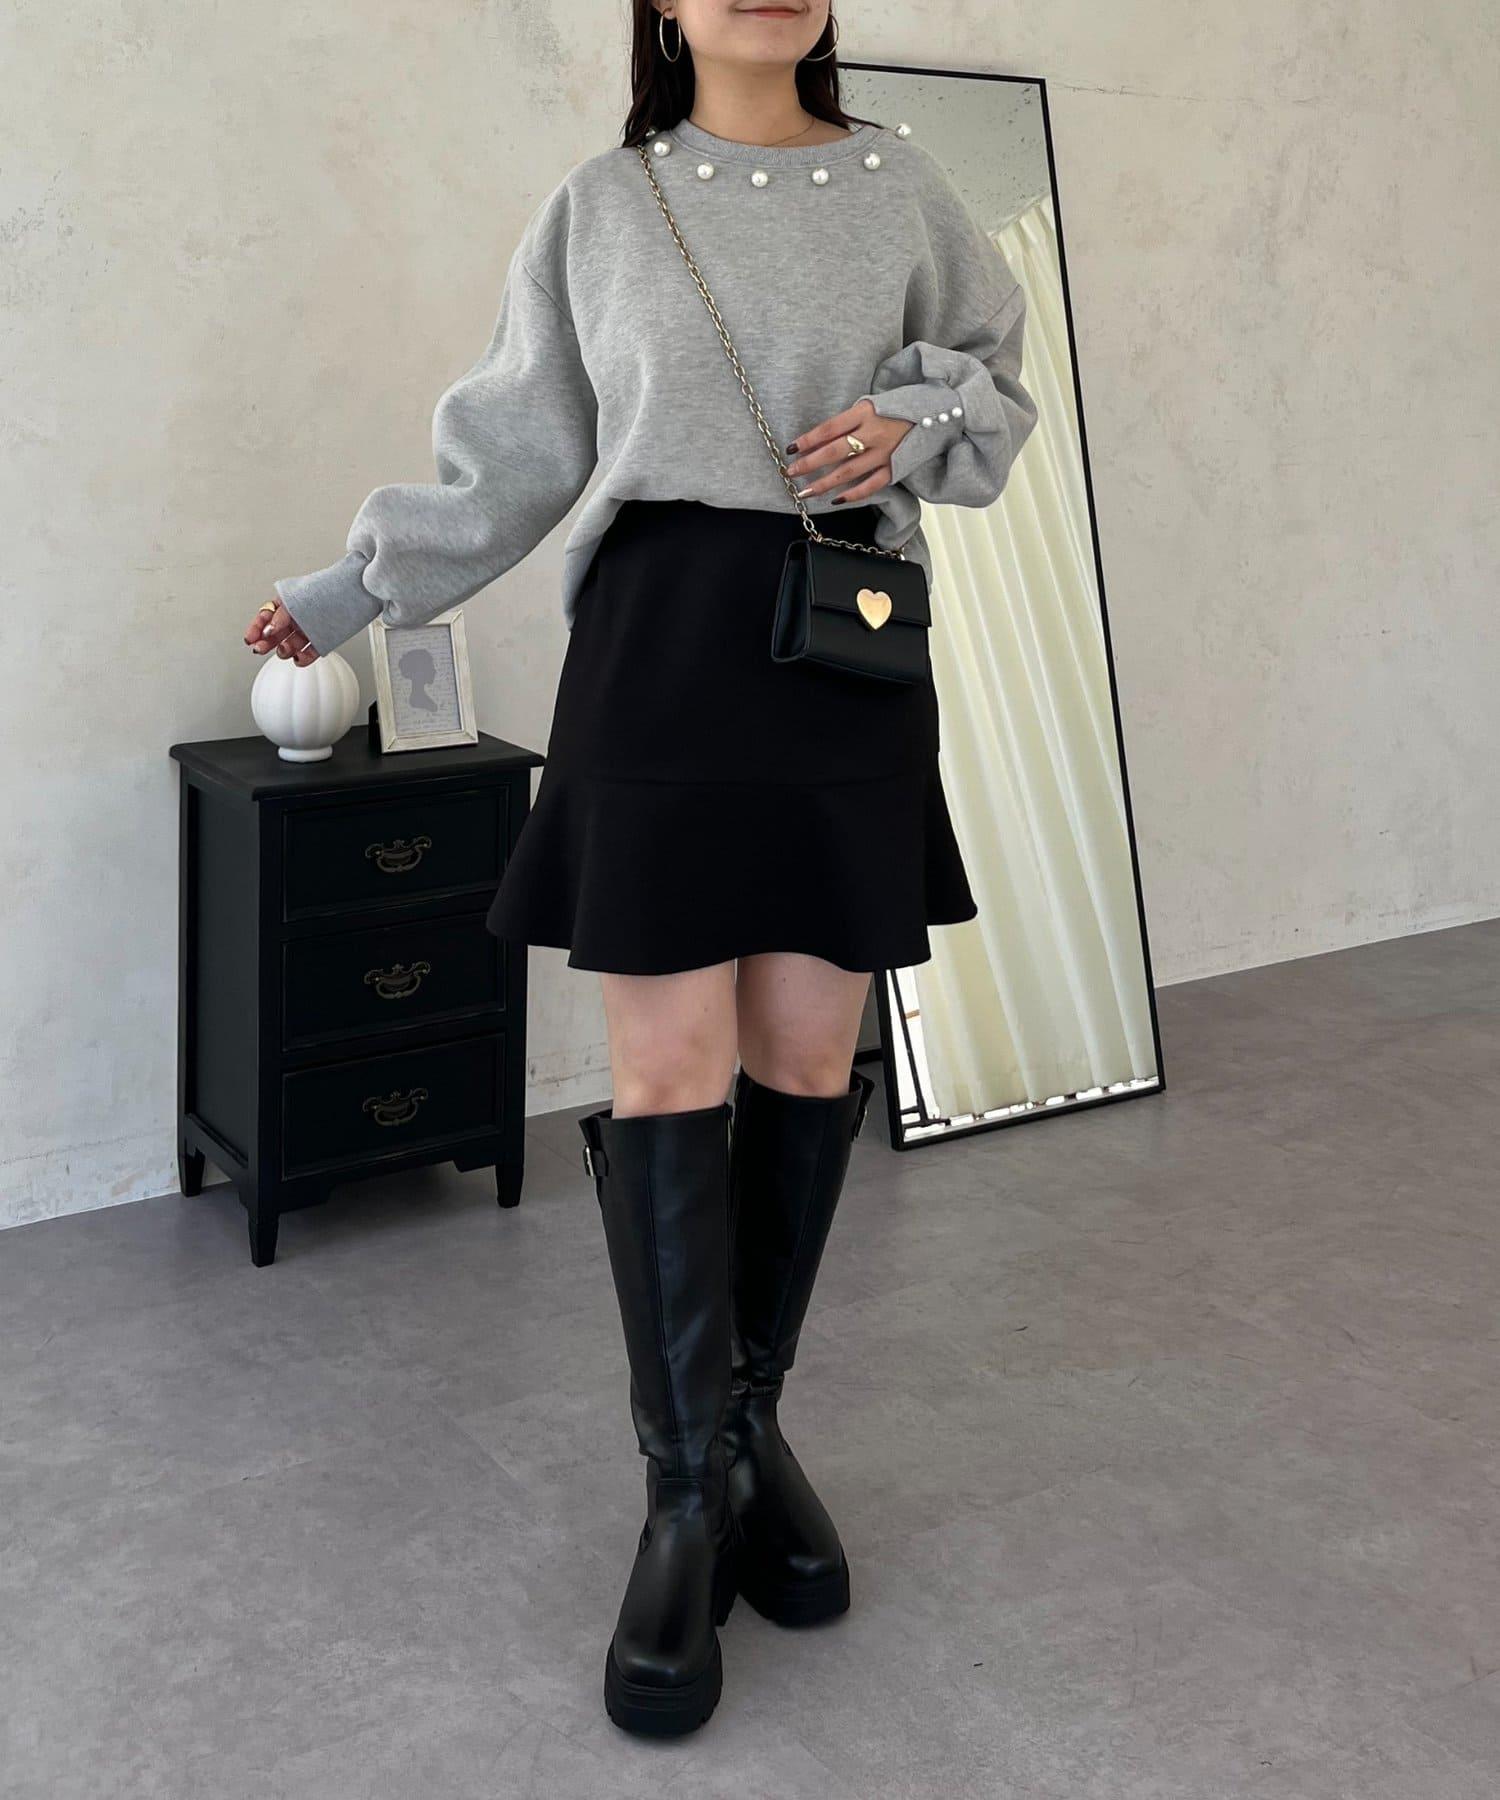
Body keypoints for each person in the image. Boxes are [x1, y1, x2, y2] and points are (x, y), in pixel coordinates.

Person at [245, 0, 1038, 1741]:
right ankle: (684, 1491)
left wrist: (915, 424)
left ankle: (748, 1425)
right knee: (671, 1068)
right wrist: (350, 591)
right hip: (659, 651)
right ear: (659, 5)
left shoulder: (905, 190)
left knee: (810, 1059)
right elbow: (516, 451)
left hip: (845, 645)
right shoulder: (603, 205)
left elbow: (997, 382)